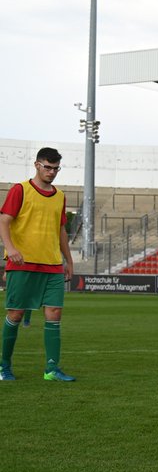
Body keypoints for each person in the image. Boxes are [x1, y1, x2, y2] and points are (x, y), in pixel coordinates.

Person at [0, 147, 75, 382]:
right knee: (16, 313)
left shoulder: (60, 196)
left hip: (52, 264)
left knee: (54, 313)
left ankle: (52, 369)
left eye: (56, 168)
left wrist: (68, 260)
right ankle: (4, 367)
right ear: (37, 165)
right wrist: (10, 249)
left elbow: (61, 230)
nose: (51, 172)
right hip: (22, 263)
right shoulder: (20, 189)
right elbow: (4, 221)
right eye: (47, 167)